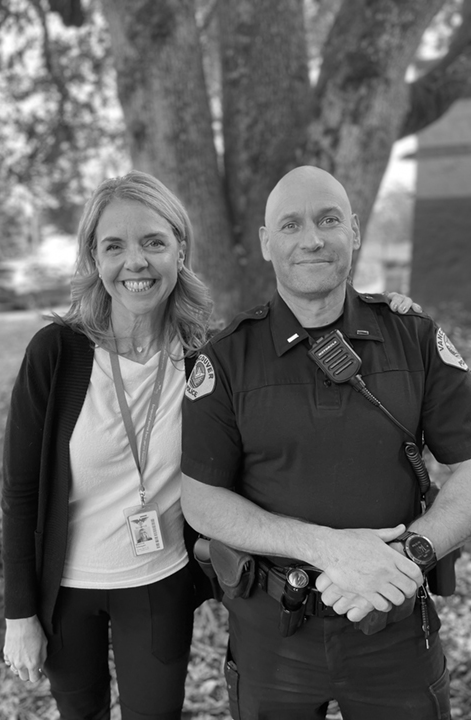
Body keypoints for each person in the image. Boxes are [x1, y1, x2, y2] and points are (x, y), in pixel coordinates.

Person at [181, 165, 471, 720]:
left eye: (328, 219)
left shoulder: (416, 339)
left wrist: (410, 556)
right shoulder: (227, 359)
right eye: (290, 225)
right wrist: (327, 548)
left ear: (355, 231)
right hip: (273, 633)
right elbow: (201, 499)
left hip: (396, 621)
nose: (311, 238)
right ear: (267, 243)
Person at [1, 170, 214, 720]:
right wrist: (19, 615)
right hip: (67, 591)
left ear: (180, 249)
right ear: (95, 259)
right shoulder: (56, 354)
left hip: (159, 581)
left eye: (153, 241)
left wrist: (379, 308)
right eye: (113, 246)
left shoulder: (207, 359)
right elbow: (20, 492)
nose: (134, 262)